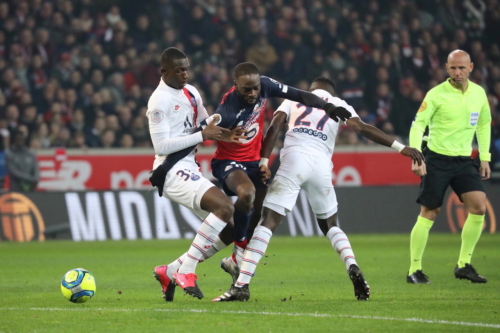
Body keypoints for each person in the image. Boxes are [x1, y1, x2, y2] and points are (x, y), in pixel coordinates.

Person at [212, 77, 425, 302]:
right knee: (331, 225)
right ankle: (352, 265)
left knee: (267, 222)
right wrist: (401, 148)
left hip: (295, 160)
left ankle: (242, 285)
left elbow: (275, 127)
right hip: (322, 166)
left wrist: (264, 161)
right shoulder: (339, 104)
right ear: (331, 92)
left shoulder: (294, 100)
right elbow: (362, 128)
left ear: (312, 90)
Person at [210, 62, 352, 282]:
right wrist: (219, 135)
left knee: (256, 215)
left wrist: (328, 107)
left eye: (256, 87)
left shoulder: (266, 86)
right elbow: (204, 127)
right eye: (247, 89)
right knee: (251, 204)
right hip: (231, 162)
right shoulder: (228, 108)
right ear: (235, 85)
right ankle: (201, 261)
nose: (254, 93)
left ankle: (232, 261)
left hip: (255, 161)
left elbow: (299, 95)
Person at [149, 47, 240, 301]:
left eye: (186, 68)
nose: (185, 74)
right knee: (225, 207)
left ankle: (170, 270)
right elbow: (161, 146)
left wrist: (226, 134)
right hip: (170, 171)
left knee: (230, 229)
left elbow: (206, 124)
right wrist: (202, 135)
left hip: (189, 166)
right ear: (164, 71)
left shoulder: (191, 92)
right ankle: (187, 271)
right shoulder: (159, 101)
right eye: (179, 70)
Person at [407, 50, 491, 284]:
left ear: (471, 67)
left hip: (464, 160)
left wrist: (485, 157)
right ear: (446, 68)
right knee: (430, 212)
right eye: (453, 68)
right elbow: (418, 125)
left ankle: (464, 265)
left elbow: (483, 125)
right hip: (436, 159)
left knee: (479, 207)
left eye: (462, 68)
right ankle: (414, 269)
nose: (457, 72)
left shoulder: (479, 94)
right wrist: (416, 155)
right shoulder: (435, 94)